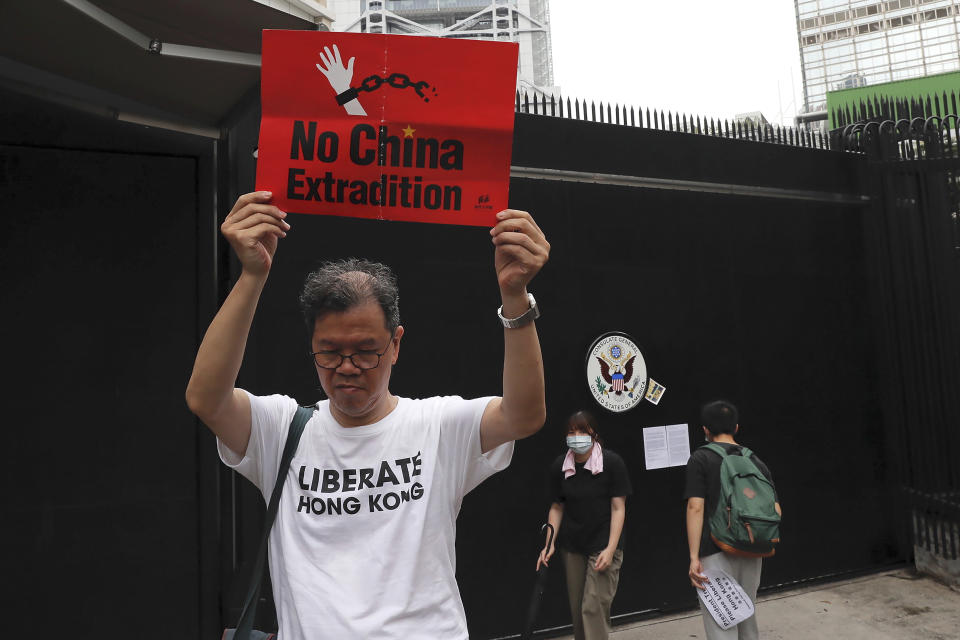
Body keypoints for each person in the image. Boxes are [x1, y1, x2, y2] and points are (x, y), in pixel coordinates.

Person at [185, 191, 550, 639]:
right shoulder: (281, 431)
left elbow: (524, 414)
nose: (347, 367)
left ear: (395, 344)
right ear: (311, 346)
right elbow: (206, 397)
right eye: (330, 352)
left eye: (366, 351)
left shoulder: (437, 426)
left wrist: (516, 298)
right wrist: (252, 275)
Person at [684, 400, 782, 640]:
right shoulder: (755, 460)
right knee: (746, 614)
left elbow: (695, 507)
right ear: (736, 427)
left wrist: (694, 557)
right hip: (752, 547)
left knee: (721, 623)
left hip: (715, 549)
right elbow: (775, 508)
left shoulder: (700, 459)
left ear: (705, 429)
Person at [536, 410, 632, 640]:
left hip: (603, 543)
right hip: (573, 545)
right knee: (578, 611)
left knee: (593, 607)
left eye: (582, 431)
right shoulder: (561, 466)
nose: (576, 436)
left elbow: (619, 508)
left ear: (594, 434)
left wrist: (611, 548)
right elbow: (557, 507)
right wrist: (548, 544)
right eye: (571, 431)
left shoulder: (612, 463)